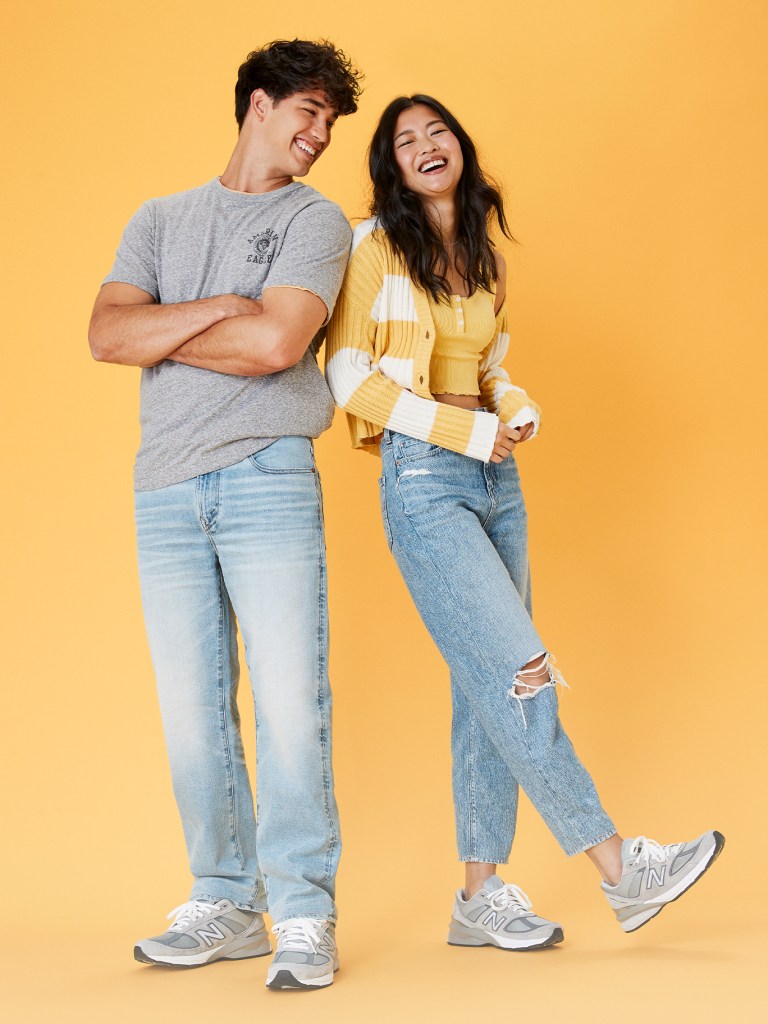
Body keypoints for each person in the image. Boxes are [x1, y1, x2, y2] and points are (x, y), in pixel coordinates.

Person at [325, 94, 724, 950]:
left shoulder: (484, 258)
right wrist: (467, 427)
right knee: (520, 669)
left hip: (497, 481)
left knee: (484, 688)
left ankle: (480, 897)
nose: (426, 146)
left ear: (460, 148)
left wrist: (516, 407)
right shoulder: (373, 249)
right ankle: (621, 868)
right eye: (406, 141)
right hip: (425, 481)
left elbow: (492, 366)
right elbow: (350, 379)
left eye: (438, 132)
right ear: (391, 168)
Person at [88, 40, 362, 990]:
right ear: (259, 103)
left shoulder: (317, 220)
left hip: (265, 476)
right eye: (311, 112)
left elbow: (280, 341)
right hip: (163, 487)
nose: (322, 135)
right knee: (190, 714)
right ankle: (225, 900)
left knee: (290, 705)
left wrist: (164, 329)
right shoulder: (160, 219)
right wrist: (218, 309)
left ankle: (302, 912)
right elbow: (104, 333)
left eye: (331, 121)